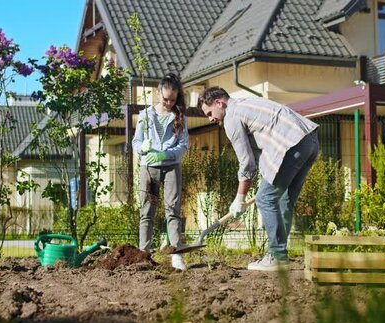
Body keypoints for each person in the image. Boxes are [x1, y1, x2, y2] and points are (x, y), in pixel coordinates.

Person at [198, 87, 320, 271]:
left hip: (291, 145)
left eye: (209, 113)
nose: (210, 118)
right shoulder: (247, 103)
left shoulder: (231, 117)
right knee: (284, 199)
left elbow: (247, 163)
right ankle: (279, 255)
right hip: (309, 141)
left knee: (265, 198)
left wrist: (239, 198)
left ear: (219, 103)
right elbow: (259, 157)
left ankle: (277, 256)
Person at [131, 73, 189, 271]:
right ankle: (143, 254)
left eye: (173, 100)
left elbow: (183, 145)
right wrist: (143, 148)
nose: (168, 103)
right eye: (165, 99)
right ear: (157, 93)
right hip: (149, 167)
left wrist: (166, 155)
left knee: (172, 210)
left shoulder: (180, 116)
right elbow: (135, 142)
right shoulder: (146, 115)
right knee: (147, 211)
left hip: (171, 166)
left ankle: (176, 255)